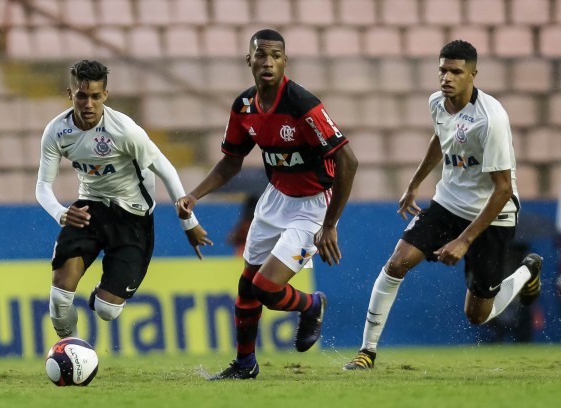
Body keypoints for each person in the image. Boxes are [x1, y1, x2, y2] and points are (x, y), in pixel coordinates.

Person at [343, 40, 542, 370]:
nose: (446, 77)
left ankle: (527, 271)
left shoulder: (490, 120)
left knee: (476, 315)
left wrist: (464, 240)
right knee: (397, 263)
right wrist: (414, 183)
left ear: (472, 75)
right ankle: (367, 351)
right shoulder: (437, 102)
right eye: (442, 70)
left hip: (492, 213)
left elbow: (504, 189)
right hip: (448, 202)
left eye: (455, 72)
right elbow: (441, 138)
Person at [177, 29, 358, 380]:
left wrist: (330, 224)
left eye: (276, 55)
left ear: (285, 61)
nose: (268, 62)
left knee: (266, 288)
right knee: (247, 287)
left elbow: (348, 162)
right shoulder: (244, 106)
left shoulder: (302, 104)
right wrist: (194, 195)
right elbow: (231, 161)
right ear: (250, 60)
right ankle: (245, 365)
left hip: (312, 205)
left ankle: (312, 304)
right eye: (261, 54)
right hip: (274, 199)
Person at [35, 59, 212, 340]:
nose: (88, 104)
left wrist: (189, 223)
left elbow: (166, 169)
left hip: (133, 216)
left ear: (106, 95)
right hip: (89, 208)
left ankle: (104, 295)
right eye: (81, 96)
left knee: (107, 310)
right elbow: (43, 185)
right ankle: (73, 352)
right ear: (70, 95)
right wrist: (61, 213)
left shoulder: (125, 131)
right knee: (59, 297)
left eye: (95, 96)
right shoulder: (57, 132)